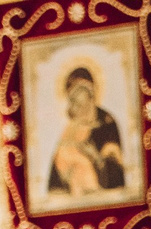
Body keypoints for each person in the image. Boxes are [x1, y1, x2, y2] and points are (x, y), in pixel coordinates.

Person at [47, 66, 127, 198]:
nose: (79, 109)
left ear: (91, 96)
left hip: (102, 196)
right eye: (74, 101)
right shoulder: (71, 128)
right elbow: (55, 181)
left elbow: (115, 173)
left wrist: (95, 157)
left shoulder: (107, 123)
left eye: (82, 101)